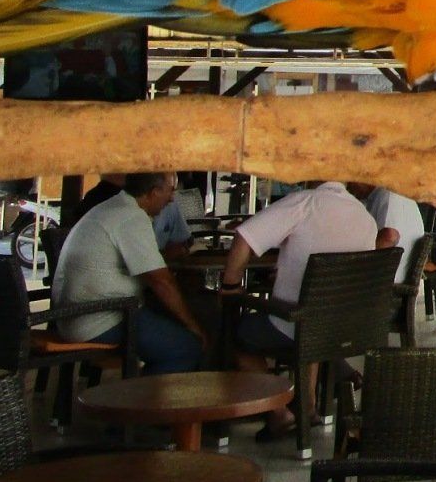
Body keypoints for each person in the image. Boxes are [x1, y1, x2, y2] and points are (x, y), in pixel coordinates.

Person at [220, 179, 377, 440]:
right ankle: (307, 405)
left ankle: (279, 412)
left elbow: (243, 237)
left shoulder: (304, 203)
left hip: (297, 323)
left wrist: (231, 287)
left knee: (235, 334)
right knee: (310, 326)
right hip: (341, 329)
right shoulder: (365, 218)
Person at [51, 170, 206, 374]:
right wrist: (194, 327)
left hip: (79, 315)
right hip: (98, 320)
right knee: (185, 347)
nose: (172, 199)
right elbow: (162, 282)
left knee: (181, 316)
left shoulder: (116, 207)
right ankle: (145, 403)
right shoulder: (131, 217)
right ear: (153, 192)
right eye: (170, 191)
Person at [346, 182, 424, 283]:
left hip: (388, 280)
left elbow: (389, 237)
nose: (349, 189)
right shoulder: (393, 193)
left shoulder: (387, 197)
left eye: (350, 183)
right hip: (400, 274)